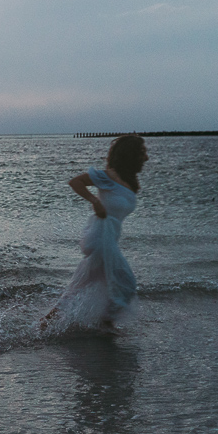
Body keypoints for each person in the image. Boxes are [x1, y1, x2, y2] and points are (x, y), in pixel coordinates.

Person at [40, 135, 149, 334]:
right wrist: (95, 201)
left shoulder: (127, 182)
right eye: (143, 153)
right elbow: (75, 182)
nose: (146, 157)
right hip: (100, 237)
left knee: (80, 286)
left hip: (108, 239)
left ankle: (45, 325)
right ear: (131, 155)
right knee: (127, 283)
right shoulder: (108, 176)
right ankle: (104, 324)